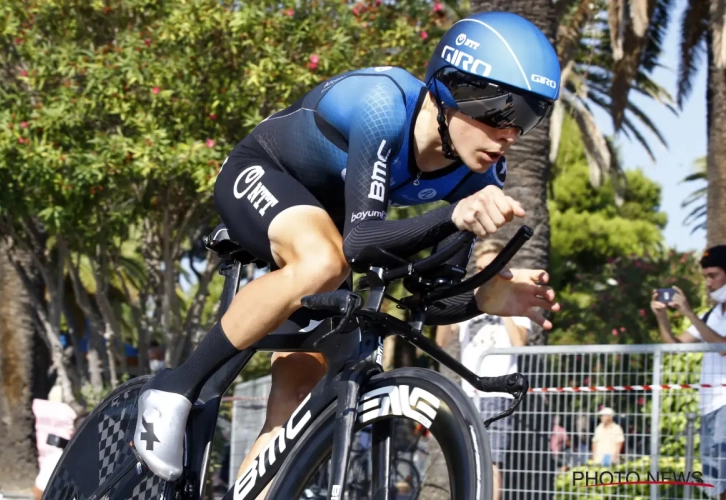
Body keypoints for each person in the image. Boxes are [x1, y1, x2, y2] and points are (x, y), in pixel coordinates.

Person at [133, 10, 563, 492]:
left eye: (529, 118)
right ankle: (174, 388)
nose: (511, 134)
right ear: (451, 89)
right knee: (323, 260)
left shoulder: (479, 175)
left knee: (299, 398)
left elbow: (426, 300)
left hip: (333, 220)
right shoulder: (383, 106)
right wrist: (452, 216)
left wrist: (482, 298)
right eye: (502, 112)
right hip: (264, 171)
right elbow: (360, 243)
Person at [436, 239, 532, 500]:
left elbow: (520, 343)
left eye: (489, 267)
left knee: (490, 461)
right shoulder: (470, 301)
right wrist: (447, 305)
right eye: (479, 268)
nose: (483, 273)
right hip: (469, 393)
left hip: (497, 393)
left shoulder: (516, 298)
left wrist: (501, 303)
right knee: (471, 459)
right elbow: (442, 341)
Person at [651, 244, 726, 499]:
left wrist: (688, 313)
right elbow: (674, 347)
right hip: (709, 406)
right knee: (715, 483)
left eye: (713, 275)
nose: (708, 283)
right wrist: (661, 316)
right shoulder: (710, 315)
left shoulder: (701, 317)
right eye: (705, 277)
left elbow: (723, 347)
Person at [33, 412, 88, 500]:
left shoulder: (55, 460)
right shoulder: (55, 460)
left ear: (72, 434)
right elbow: (40, 492)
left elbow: (39, 493)